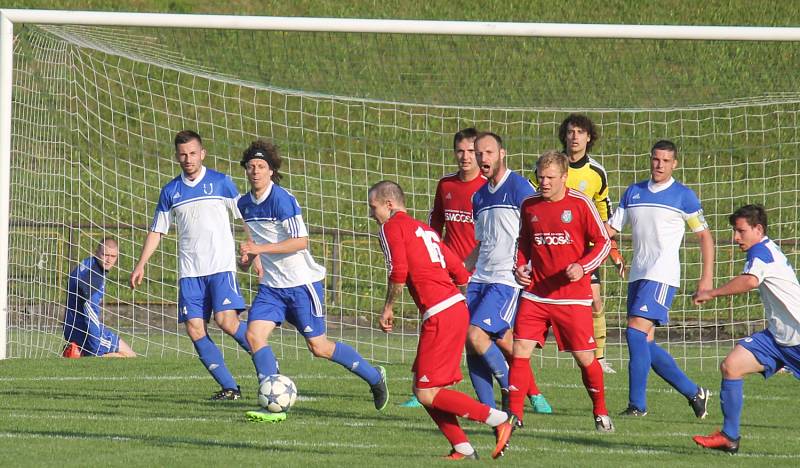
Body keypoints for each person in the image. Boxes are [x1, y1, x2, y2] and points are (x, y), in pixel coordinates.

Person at [237, 140, 388, 423]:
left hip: (301, 285)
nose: (255, 171)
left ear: (271, 171)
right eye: (251, 167)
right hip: (272, 288)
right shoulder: (244, 204)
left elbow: (300, 241)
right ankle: (272, 403)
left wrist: (260, 250)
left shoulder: (282, 200)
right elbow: (255, 245)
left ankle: (374, 376)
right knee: (253, 335)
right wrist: (246, 260)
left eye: (261, 166)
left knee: (319, 347)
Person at [370, 180, 512, 460]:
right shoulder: (425, 229)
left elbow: (398, 270)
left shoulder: (390, 228)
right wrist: (456, 304)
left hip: (441, 312)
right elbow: (460, 272)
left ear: (389, 204)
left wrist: (388, 307)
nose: (371, 213)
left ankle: (497, 418)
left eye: (373, 207)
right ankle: (462, 446)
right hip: (450, 308)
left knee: (425, 391)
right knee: (423, 388)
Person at [497, 150, 613, 459]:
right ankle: (515, 414)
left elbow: (603, 243)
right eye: (540, 176)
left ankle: (600, 411)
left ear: (564, 177)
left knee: (584, 357)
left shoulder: (580, 204)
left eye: (550, 178)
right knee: (519, 351)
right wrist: (520, 267)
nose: (543, 183)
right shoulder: (530, 205)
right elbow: (524, 242)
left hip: (572, 297)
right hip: (535, 294)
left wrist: (583, 267)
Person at [130, 130, 252, 400]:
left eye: (193, 153)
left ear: (202, 154)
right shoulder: (171, 191)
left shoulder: (221, 183)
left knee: (227, 322)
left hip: (220, 267)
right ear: (177, 157)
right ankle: (230, 388)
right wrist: (140, 265)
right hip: (190, 273)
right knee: (194, 328)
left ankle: (267, 364)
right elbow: (157, 230)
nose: (188, 159)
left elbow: (246, 217)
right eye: (183, 154)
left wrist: (254, 252)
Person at [606, 140, 714, 418]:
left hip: (662, 275)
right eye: (656, 159)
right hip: (638, 276)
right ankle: (695, 393)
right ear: (650, 159)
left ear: (674, 164)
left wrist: (706, 279)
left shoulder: (683, 196)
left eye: (666, 161)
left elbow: (705, 238)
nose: (659, 165)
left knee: (633, 332)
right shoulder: (634, 192)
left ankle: (637, 406)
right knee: (645, 343)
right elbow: (610, 230)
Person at [692, 205, 800, 453]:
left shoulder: (761, 252)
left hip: (797, 336)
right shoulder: (763, 249)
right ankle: (729, 437)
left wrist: (712, 293)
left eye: (741, 231)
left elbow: (750, 281)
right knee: (732, 365)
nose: (735, 237)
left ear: (758, 229)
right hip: (777, 337)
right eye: (734, 231)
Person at [394, 127, 485, 409]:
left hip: (481, 272)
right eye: (460, 151)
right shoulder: (446, 185)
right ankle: (426, 387)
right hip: (447, 273)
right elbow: (434, 228)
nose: (465, 156)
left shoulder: (486, 187)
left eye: (471, 151)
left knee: (486, 338)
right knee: (441, 329)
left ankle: (528, 391)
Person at [465, 132, 552, 415]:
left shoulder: (520, 188)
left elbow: (539, 232)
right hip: (480, 278)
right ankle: (489, 413)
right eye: (479, 153)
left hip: (506, 279)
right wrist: (459, 270)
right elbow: (481, 244)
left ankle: (511, 395)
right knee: (471, 343)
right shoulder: (478, 196)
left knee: (478, 336)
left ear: (502, 153)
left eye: (488, 152)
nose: (482, 158)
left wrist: (531, 267)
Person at [549, 114, 625, 373]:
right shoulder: (551, 166)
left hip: (583, 250)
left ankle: (600, 357)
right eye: (570, 132)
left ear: (588, 137)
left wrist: (612, 248)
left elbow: (605, 212)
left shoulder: (596, 172)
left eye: (580, 132)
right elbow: (531, 196)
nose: (574, 137)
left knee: (594, 300)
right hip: (549, 245)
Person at [62, 238, 135, 358]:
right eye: (105, 255)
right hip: (85, 332)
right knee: (130, 356)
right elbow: (90, 313)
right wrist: (95, 348)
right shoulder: (94, 277)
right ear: (96, 252)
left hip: (71, 328)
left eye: (113, 256)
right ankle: (89, 356)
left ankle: (79, 352)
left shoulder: (86, 264)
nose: (108, 260)